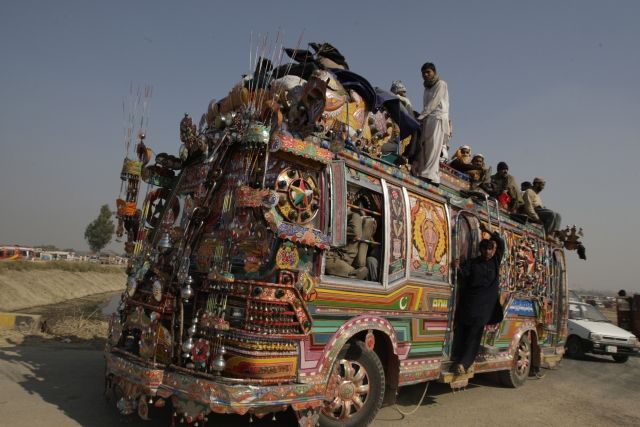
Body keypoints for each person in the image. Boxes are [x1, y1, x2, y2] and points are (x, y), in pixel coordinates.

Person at [452, 225, 505, 374]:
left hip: (484, 308)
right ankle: (457, 360)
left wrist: (489, 231)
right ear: (480, 250)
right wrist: (457, 268)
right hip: (469, 305)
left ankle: (464, 364)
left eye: (490, 249)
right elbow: (463, 275)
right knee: (462, 333)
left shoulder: (495, 262)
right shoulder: (473, 263)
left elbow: (500, 243)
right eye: (485, 249)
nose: (488, 252)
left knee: (474, 337)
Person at [411, 62, 450, 185]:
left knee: (434, 146)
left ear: (434, 72)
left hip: (438, 118)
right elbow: (426, 105)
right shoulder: (426, 88)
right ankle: (429, 174)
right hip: (428, 119)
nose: (425, 75)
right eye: (423, 73)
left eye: (428, 72)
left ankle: (430, 175)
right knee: (426, 147)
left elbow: (434, 102)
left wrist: (421, 116)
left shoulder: (441, 84)